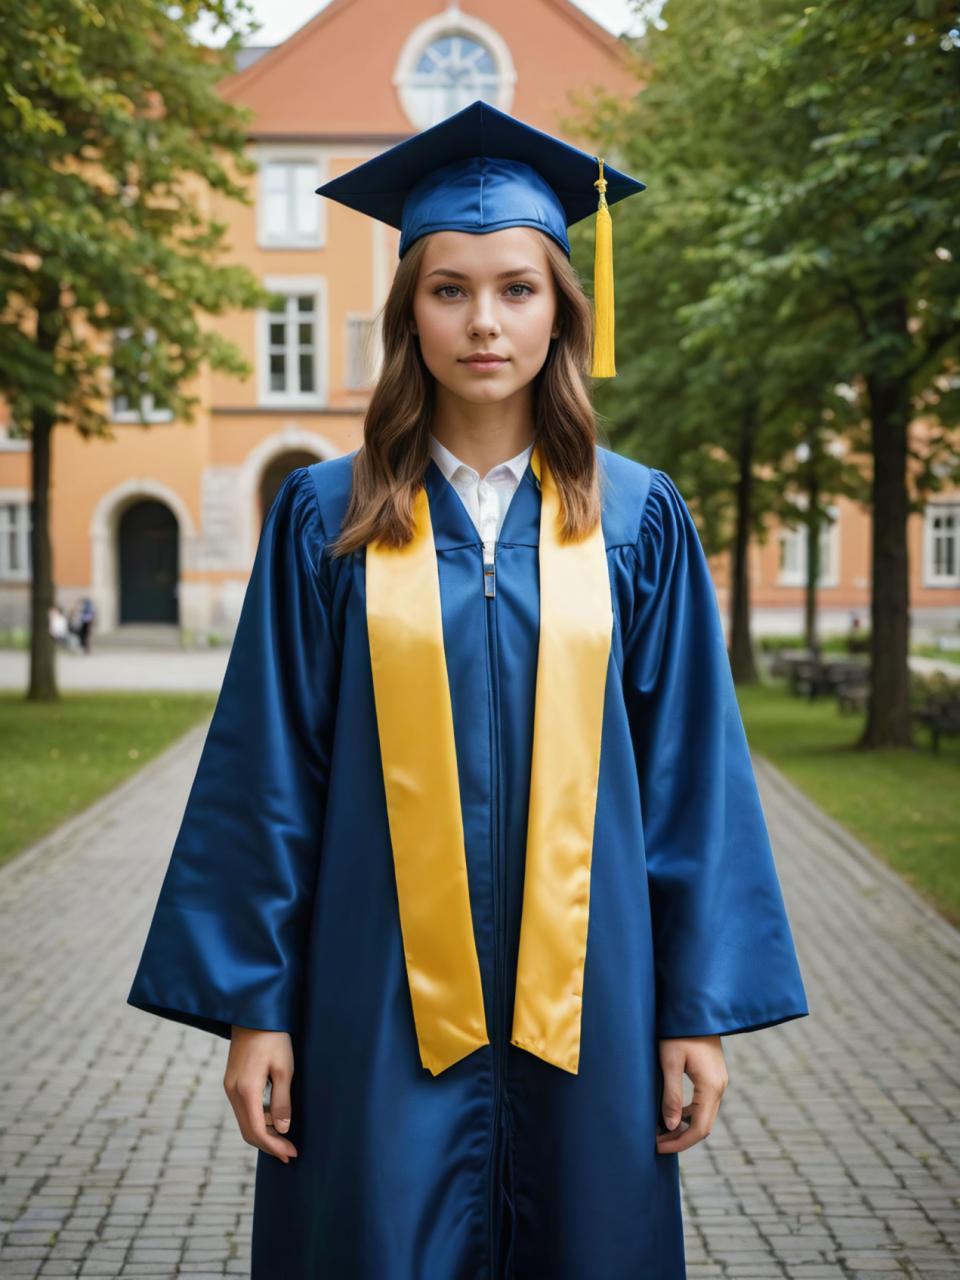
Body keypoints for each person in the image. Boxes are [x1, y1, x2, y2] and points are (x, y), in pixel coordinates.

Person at [127, 99, 809, 1279]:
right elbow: (269, 772)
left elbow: (692, 774)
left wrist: (694, 1008)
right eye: (449, 290)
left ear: (563, 309)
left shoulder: (636, 516)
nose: (483, 321)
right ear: (408, 312)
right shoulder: (324, 516)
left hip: (591, 1003)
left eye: (516, 288)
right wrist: (255, 1006)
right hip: (373, 996)